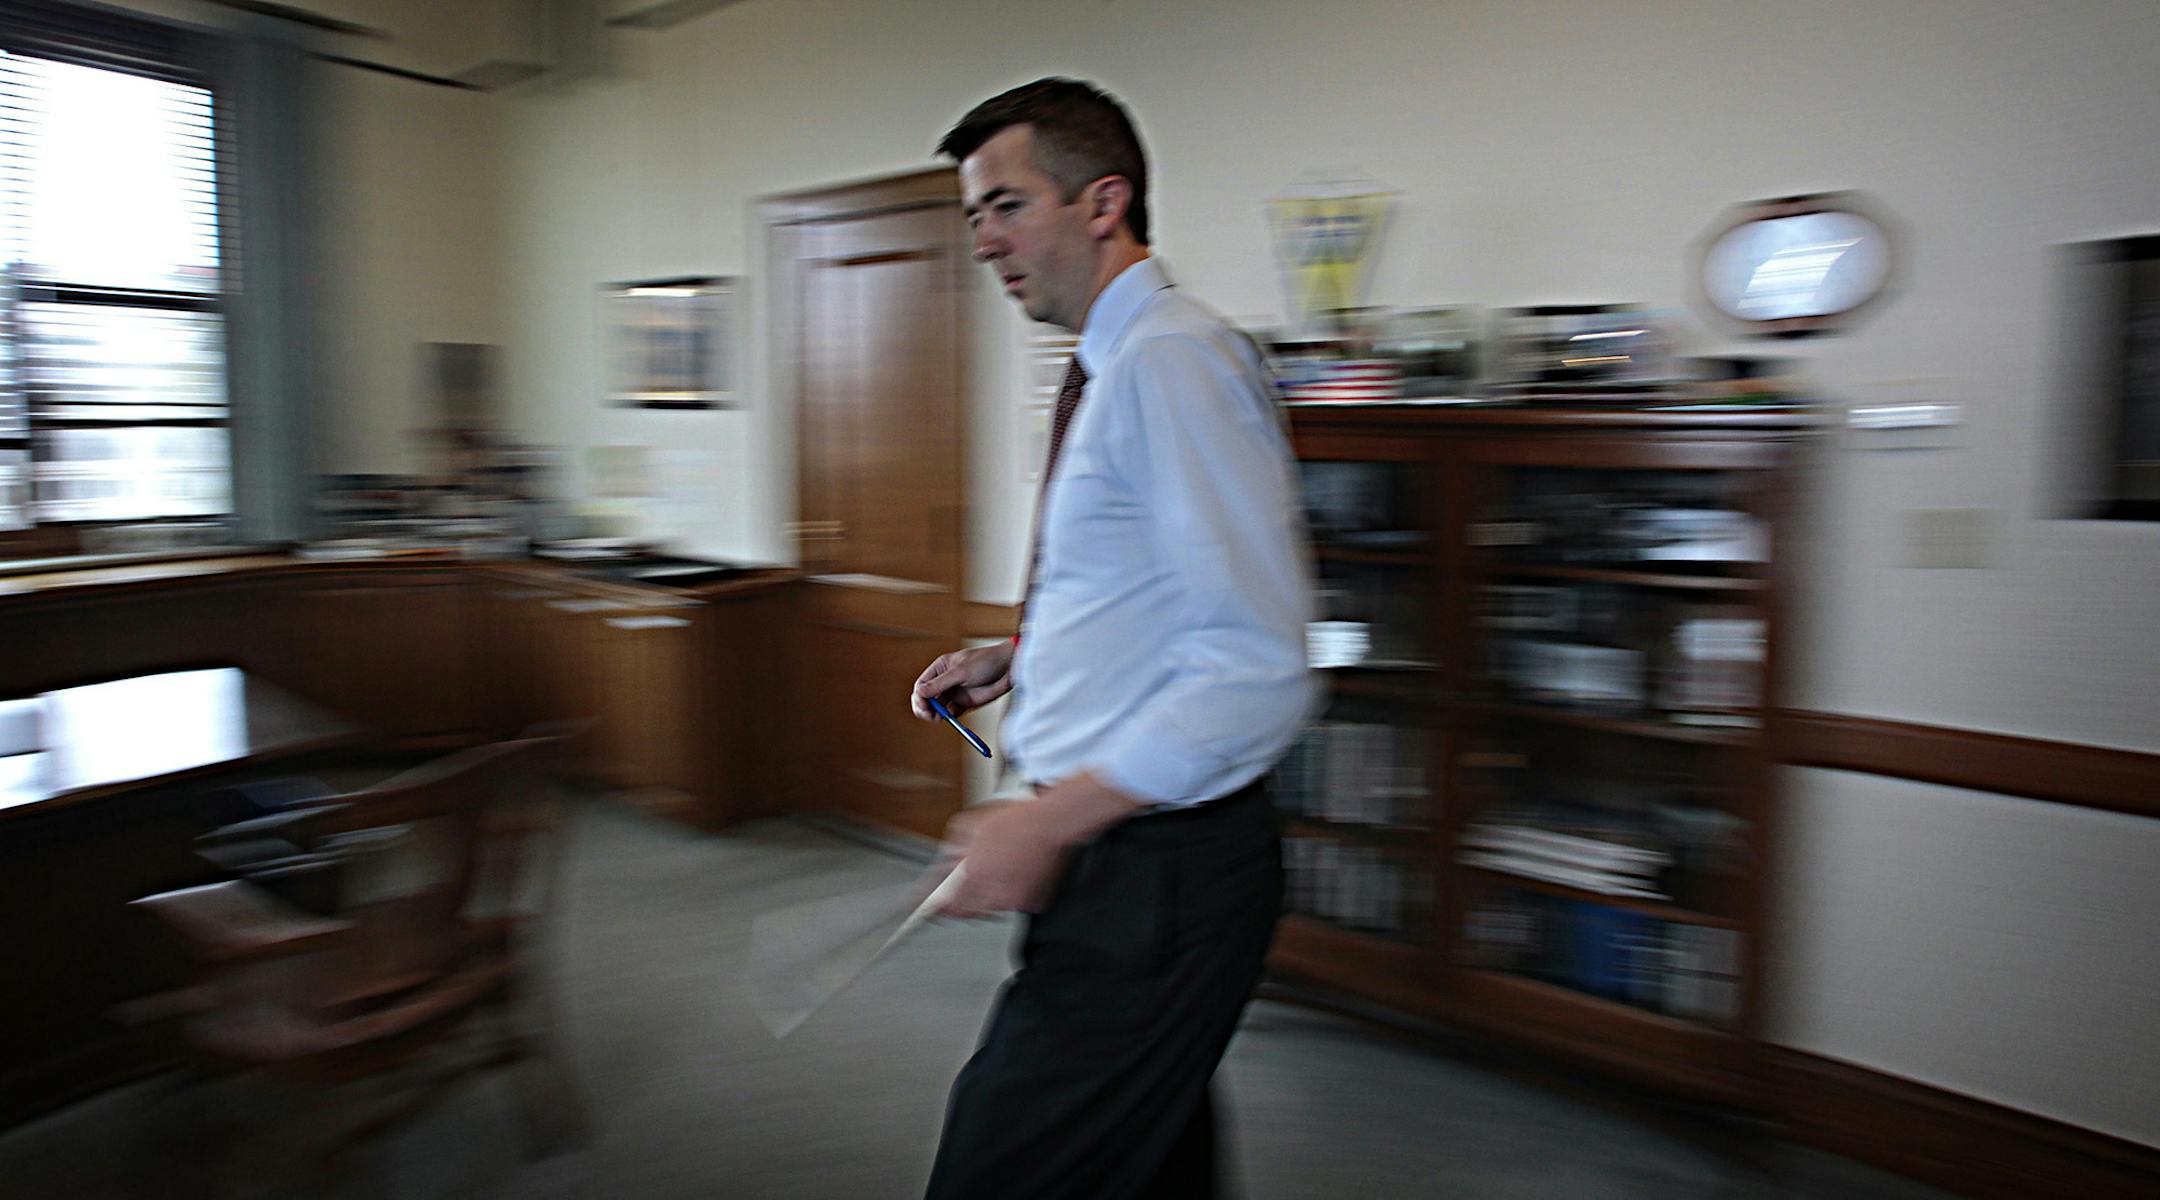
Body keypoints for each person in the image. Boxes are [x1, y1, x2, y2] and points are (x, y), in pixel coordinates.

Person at [908, 77, 1317, 1200]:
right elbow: (1148, 588)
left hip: (1162, 870)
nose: (984, 240)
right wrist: (1025, 650)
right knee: (1148, 1156)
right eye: (973, 216)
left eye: (1004, 206)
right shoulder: (1112, 366)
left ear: (1103, 202)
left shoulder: (1173, 364)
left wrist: (1046, 818)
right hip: (1124, 860)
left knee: (1003, 1165)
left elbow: (1257, 668)